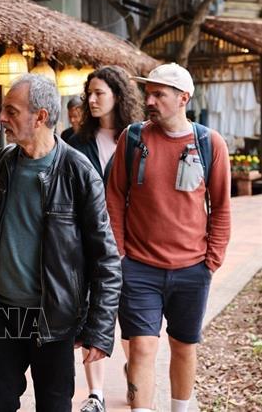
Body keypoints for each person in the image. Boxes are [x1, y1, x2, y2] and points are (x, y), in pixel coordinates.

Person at [0, 74, 122, 412]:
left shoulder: (78, 171)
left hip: (55, 317)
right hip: (3, 311)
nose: (2, 118)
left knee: (54, 404)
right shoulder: (3, 162)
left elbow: (106, 259)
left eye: (11, 112)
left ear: (40, 117)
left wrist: (99, 331)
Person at [107, 63, 231, 412]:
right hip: (139, 267)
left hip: (192, 268)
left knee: (183, 346)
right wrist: (119, 254)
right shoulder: (132, 139)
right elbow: (114, 196)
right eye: (149, 92)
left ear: (183, 99)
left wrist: (212, 260)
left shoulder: (210, 143)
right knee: (143, 347)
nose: (150, 100)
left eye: (159, 94)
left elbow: (221, 205)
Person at [69, 65, 144, 412]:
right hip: (87, 245)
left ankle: (135, 375)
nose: (92, 100)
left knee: (132, 322)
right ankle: (95, 394)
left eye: (100, 93)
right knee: (92, 317)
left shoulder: (138, 140)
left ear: (118, 96)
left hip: (129, 244)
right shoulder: (73, 141)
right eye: (90, 94)